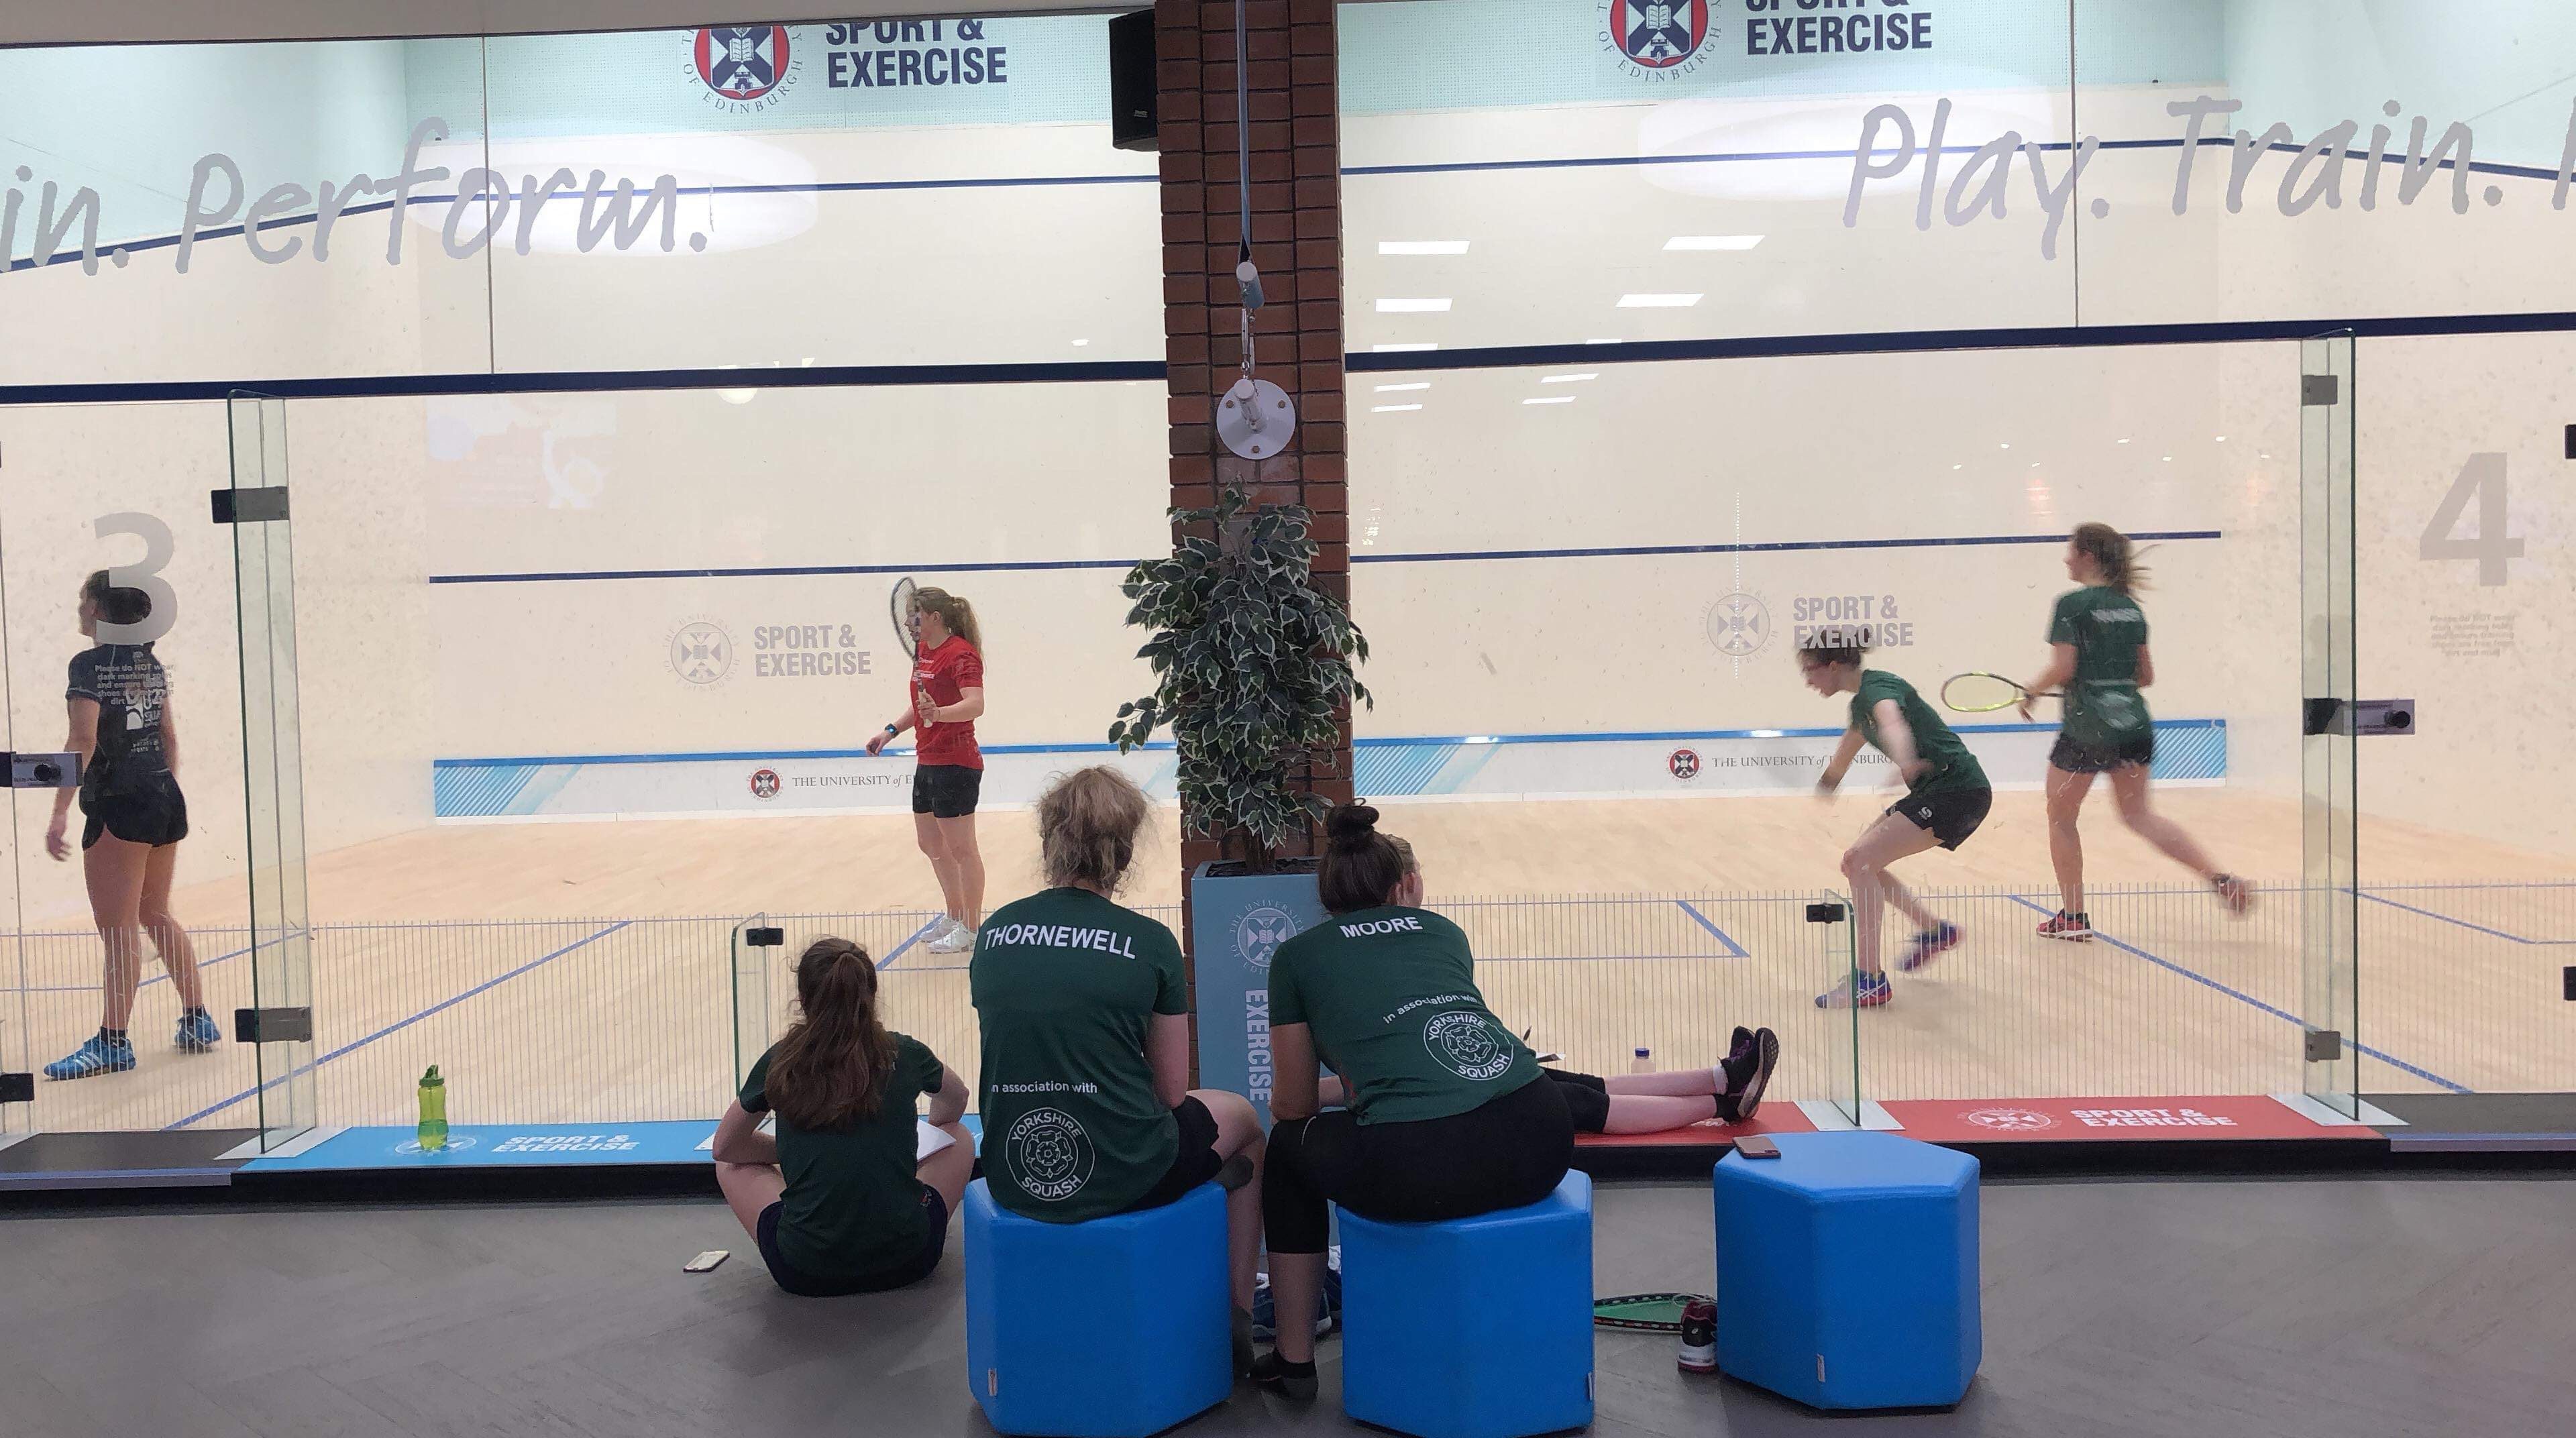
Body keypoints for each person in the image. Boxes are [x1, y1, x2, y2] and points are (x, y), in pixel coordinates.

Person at [1252, 806, 1774, 1398]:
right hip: (1538, 1144)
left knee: (1287, 1151)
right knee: (1565, 1090)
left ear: (1326, 892)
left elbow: (1293, 1107)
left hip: (1419, 1173)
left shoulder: (1297, 957)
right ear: (1404, 885)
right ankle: (1717, 1089)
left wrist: (1304, 1100)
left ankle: (1294, 1360)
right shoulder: (1444, 933)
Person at [971, 767, 1269, 1368]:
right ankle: (1238, 1312)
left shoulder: (995, 931)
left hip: (1013, 1170)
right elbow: (1169, 1092)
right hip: (1125, 1171)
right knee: (1245, 1121)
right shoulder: (1150, 941)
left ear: (1049, 842)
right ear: (1125, 852)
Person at [711, 936, 977, 1296]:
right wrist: (928, 1134)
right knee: (958, 1135)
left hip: (803, 1272)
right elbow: (956, 1097)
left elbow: (726, 1147)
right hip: (911, 1261)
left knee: (730, 1166)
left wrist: (787, 1151)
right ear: (871, 994)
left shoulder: (780, 1061)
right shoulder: (904, 1052)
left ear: (803, 999)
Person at [2021, 524, 2251, 939]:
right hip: (2134, 726)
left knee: (2060, 817)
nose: (2066, 559)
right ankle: (2219, 878)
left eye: (2071, 551)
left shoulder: (2071, 605)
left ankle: (2073, 918)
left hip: (2086, 731)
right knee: (2139, 815)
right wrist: (2109, 684)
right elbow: (2145, 676)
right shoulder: (2131, 609)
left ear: (2088, 555)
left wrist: (2031, 692)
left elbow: (2064, 668)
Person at [42, 570, 213, 1080]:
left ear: (99, 608)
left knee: (117, 929)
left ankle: (113, 1041)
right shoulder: (148, 662)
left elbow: (82, 743)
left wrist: (57, 813)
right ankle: (197, 1019)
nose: (79, 607)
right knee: (157, 913)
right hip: (163, 797)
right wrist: (160, 789)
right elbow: (169, 738)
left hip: (119, 804)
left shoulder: (89, 665)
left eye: (84, 599)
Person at [1801, 632, 1993, 1009]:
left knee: (1861, 861)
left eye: (1811, 670)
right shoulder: (1860, 708)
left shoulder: (1878, 690)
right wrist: (1827, 784)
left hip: (1956, 790)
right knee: (1856, 862)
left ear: (1834, 666)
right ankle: (1935, 930)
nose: (1808, 680)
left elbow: (1891, 721)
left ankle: (1870, 981)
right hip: (1938, 792)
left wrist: (1904, 762)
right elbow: (1847, 750)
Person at [866, 586, 986, 954]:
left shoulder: (961, 654)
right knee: (931, 844)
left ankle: (972, 928)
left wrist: (940, 714)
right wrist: (890, 732)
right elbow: (919, 707)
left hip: (957, 762)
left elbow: (975, 705)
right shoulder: (923, 653)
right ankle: (954, 915)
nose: (908, 622)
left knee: (962, 848)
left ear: (936, 617)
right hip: (927, 759)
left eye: (915, 615)